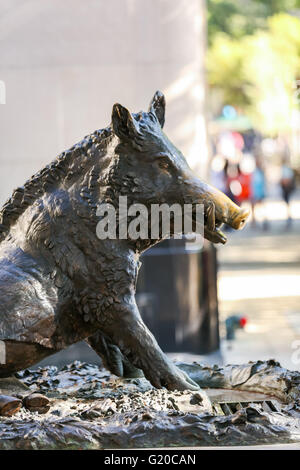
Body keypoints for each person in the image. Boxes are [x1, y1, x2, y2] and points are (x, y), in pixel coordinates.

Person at [251, 160, 267, 229]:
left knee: (260, 207)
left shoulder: (260, 172)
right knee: (254, 207)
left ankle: (264, 222)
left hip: (259, 193)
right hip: (255, 193)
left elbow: (262, 183)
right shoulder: (255, 172)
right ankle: (254, 222)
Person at [280, 160, 295, 227]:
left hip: (287, 189)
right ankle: (289, 216)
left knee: (287, 202)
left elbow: (287, 179)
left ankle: (289, 217)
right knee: (287, 202)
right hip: (285, 189)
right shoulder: (285, 168)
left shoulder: (286, 169)